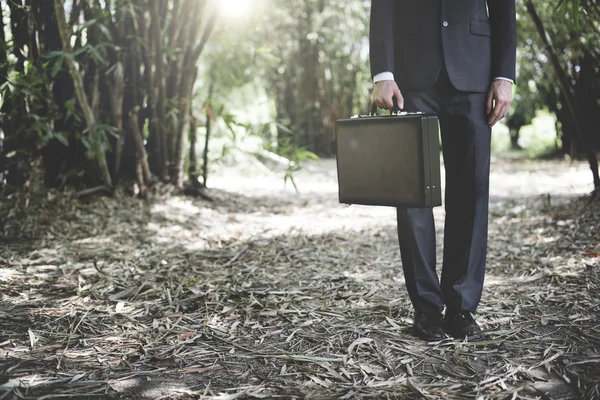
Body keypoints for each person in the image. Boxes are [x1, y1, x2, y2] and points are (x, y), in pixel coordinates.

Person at [369, 0, 516, 342]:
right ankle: (426, 309)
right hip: (411, 75)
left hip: (475, 70)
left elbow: (504, 8)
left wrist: (504, 74)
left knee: (472, 193)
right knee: (413, 194)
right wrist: (383, 73)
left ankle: (461, 308)